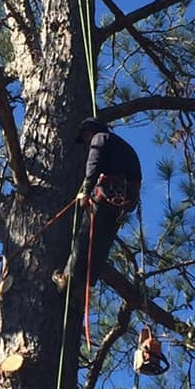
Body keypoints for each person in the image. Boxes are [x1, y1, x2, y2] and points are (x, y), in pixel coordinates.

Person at [52, 117, 142, 292]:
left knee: (85, 236)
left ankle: (67, 278)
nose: (86, 143)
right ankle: (87, 282)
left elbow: (93, 165)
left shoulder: (99, 138)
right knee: (102, 242)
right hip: (124, 202)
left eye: (85, 137)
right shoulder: (124, 148)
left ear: (88, 132)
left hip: (107, 193)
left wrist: (85, 191)